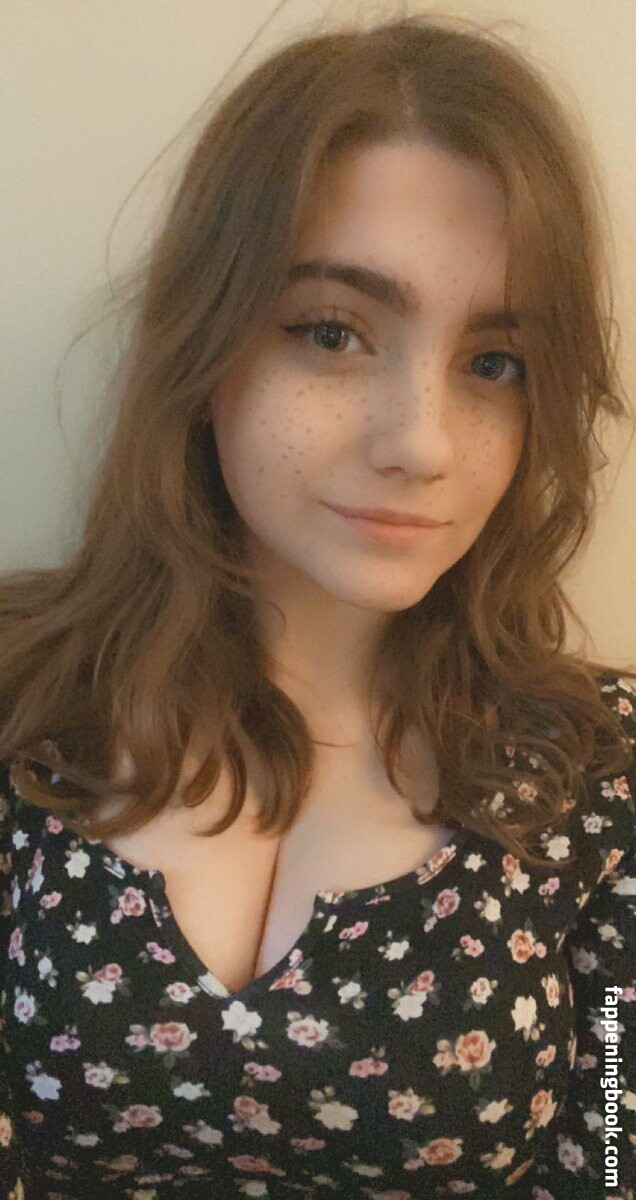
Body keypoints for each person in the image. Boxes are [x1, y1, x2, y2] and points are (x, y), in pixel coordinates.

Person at [0, 9, 634, 1199]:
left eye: (494, 362)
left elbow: (612, 1153)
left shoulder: (601, 779)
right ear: (204, 343)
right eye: (334, 333)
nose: (422, 443)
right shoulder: (23, 710)